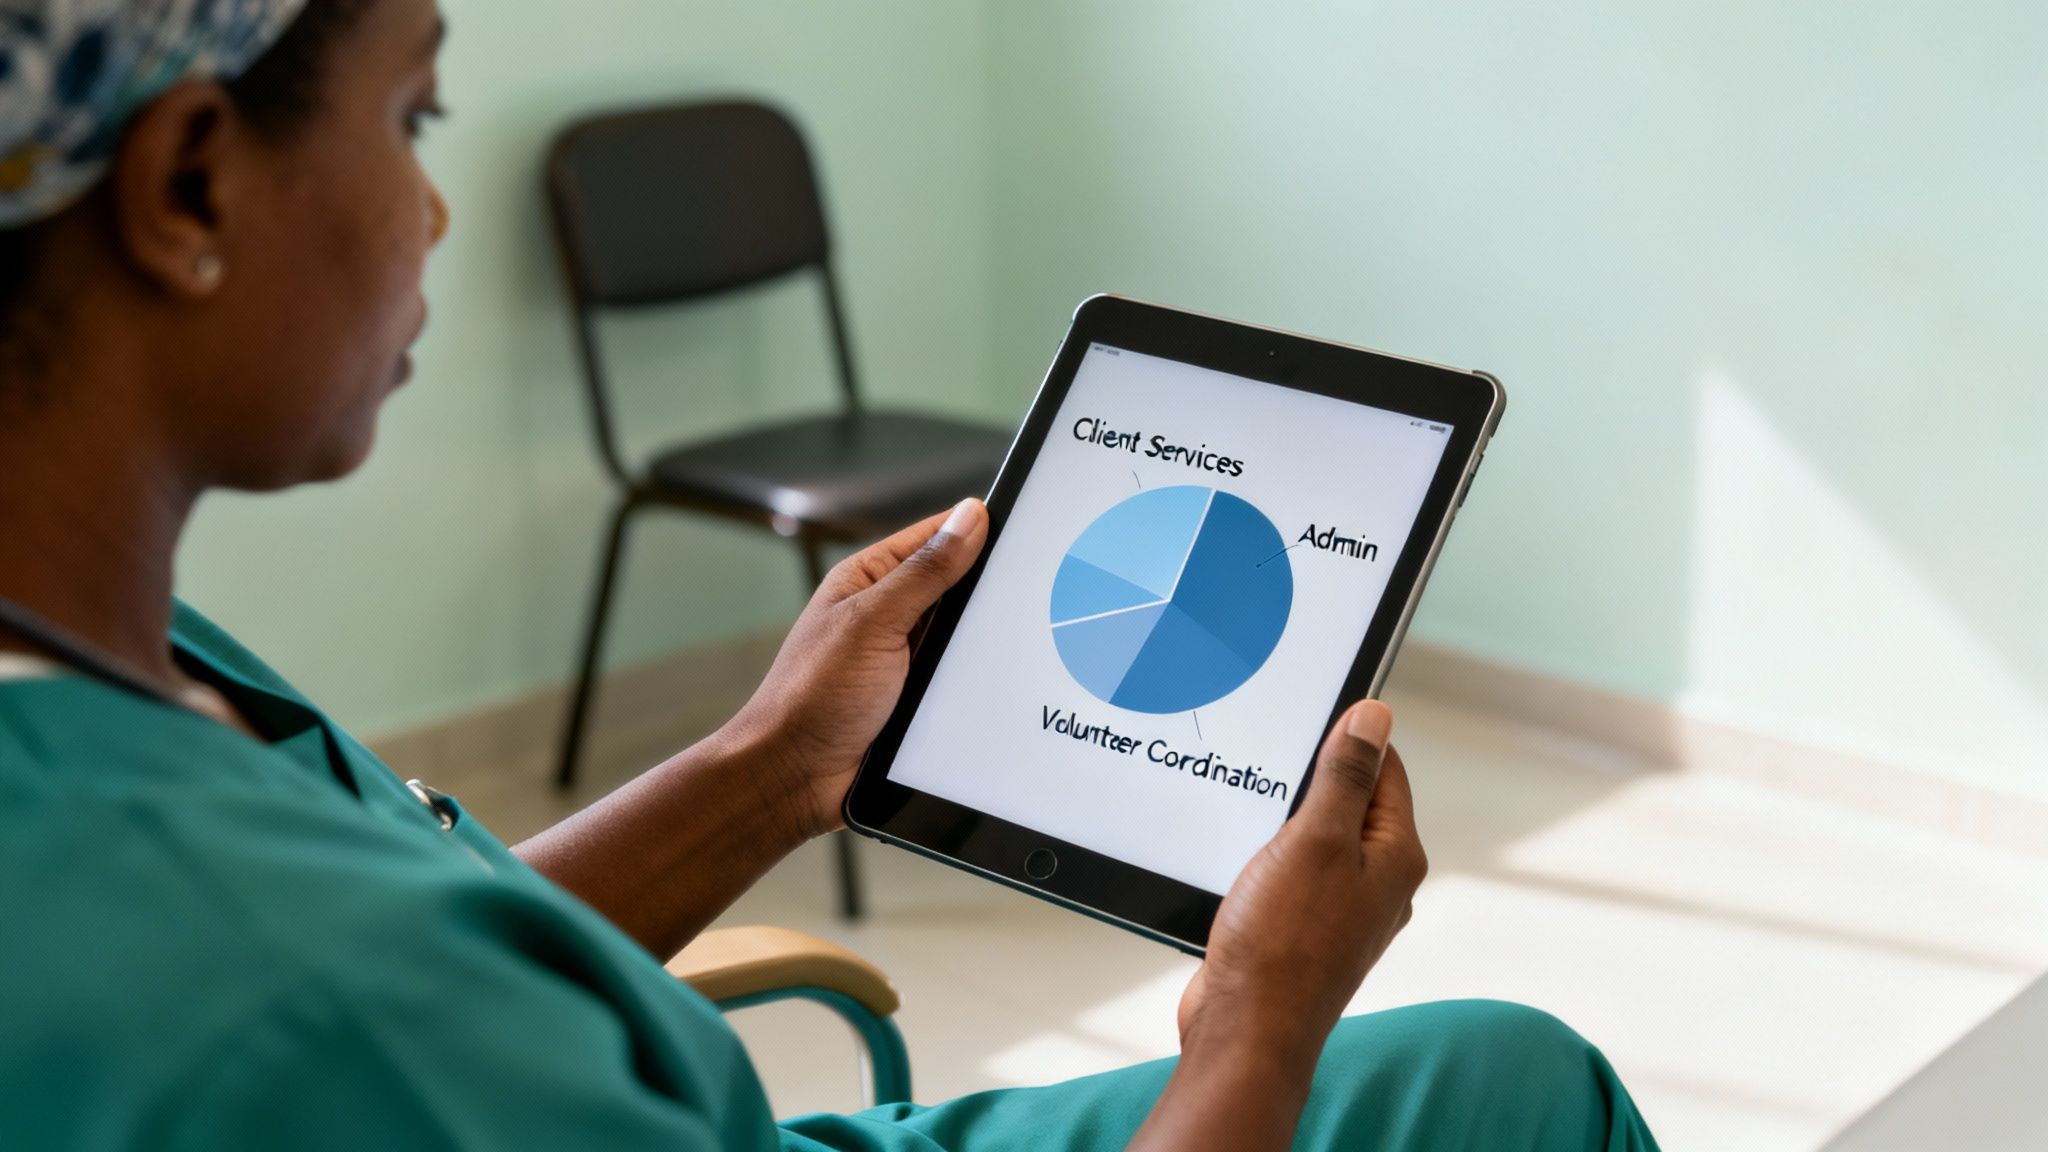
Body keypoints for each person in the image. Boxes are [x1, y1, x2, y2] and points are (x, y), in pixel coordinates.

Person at [0, 2, 1661, 1148]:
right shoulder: (260, 983)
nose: (435, 209)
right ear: (190, 180)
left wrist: (774, 766)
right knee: (1525, 1106)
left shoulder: (107, 674)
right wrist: (1260, 1020)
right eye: (412, 112)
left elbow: (440, 955)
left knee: (1504, 1072)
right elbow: (379, 1000)